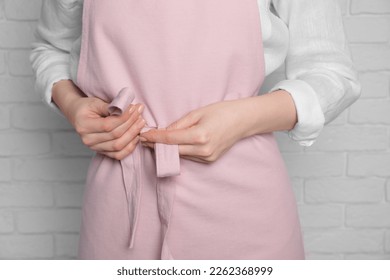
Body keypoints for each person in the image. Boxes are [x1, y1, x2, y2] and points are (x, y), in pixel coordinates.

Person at [30, 0, 361, 260]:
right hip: (119, 211)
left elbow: (333, 75)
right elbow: (51, 48)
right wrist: (72, 104)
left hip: (245, 211)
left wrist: (242, 118)